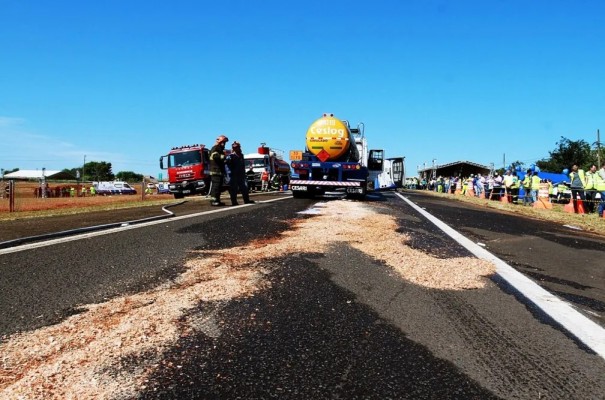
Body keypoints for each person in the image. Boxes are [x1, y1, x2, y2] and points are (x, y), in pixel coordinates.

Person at [226, 141, 254, 206]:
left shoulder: (241, 155)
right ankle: (234, 202)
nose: (236, 149)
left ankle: (246, 200)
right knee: (234, 189)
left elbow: (242, 165)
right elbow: (227, 165)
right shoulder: (231, 156)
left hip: (241, 174)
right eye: (234, 147)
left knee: (244, 188)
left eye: (237, 147)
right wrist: (229, 173)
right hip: (234, 175)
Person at [209, 135, 229, 206]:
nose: (224, 144)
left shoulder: (220, 148)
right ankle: (213, 201)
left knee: (219, 187)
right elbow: (215, 156)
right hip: (215, 171)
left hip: (219, 171)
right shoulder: (215, 148)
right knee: (216, 186)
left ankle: (217, 200)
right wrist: (224, 157)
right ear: (219, 142)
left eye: (224, 142)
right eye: (222, 142)